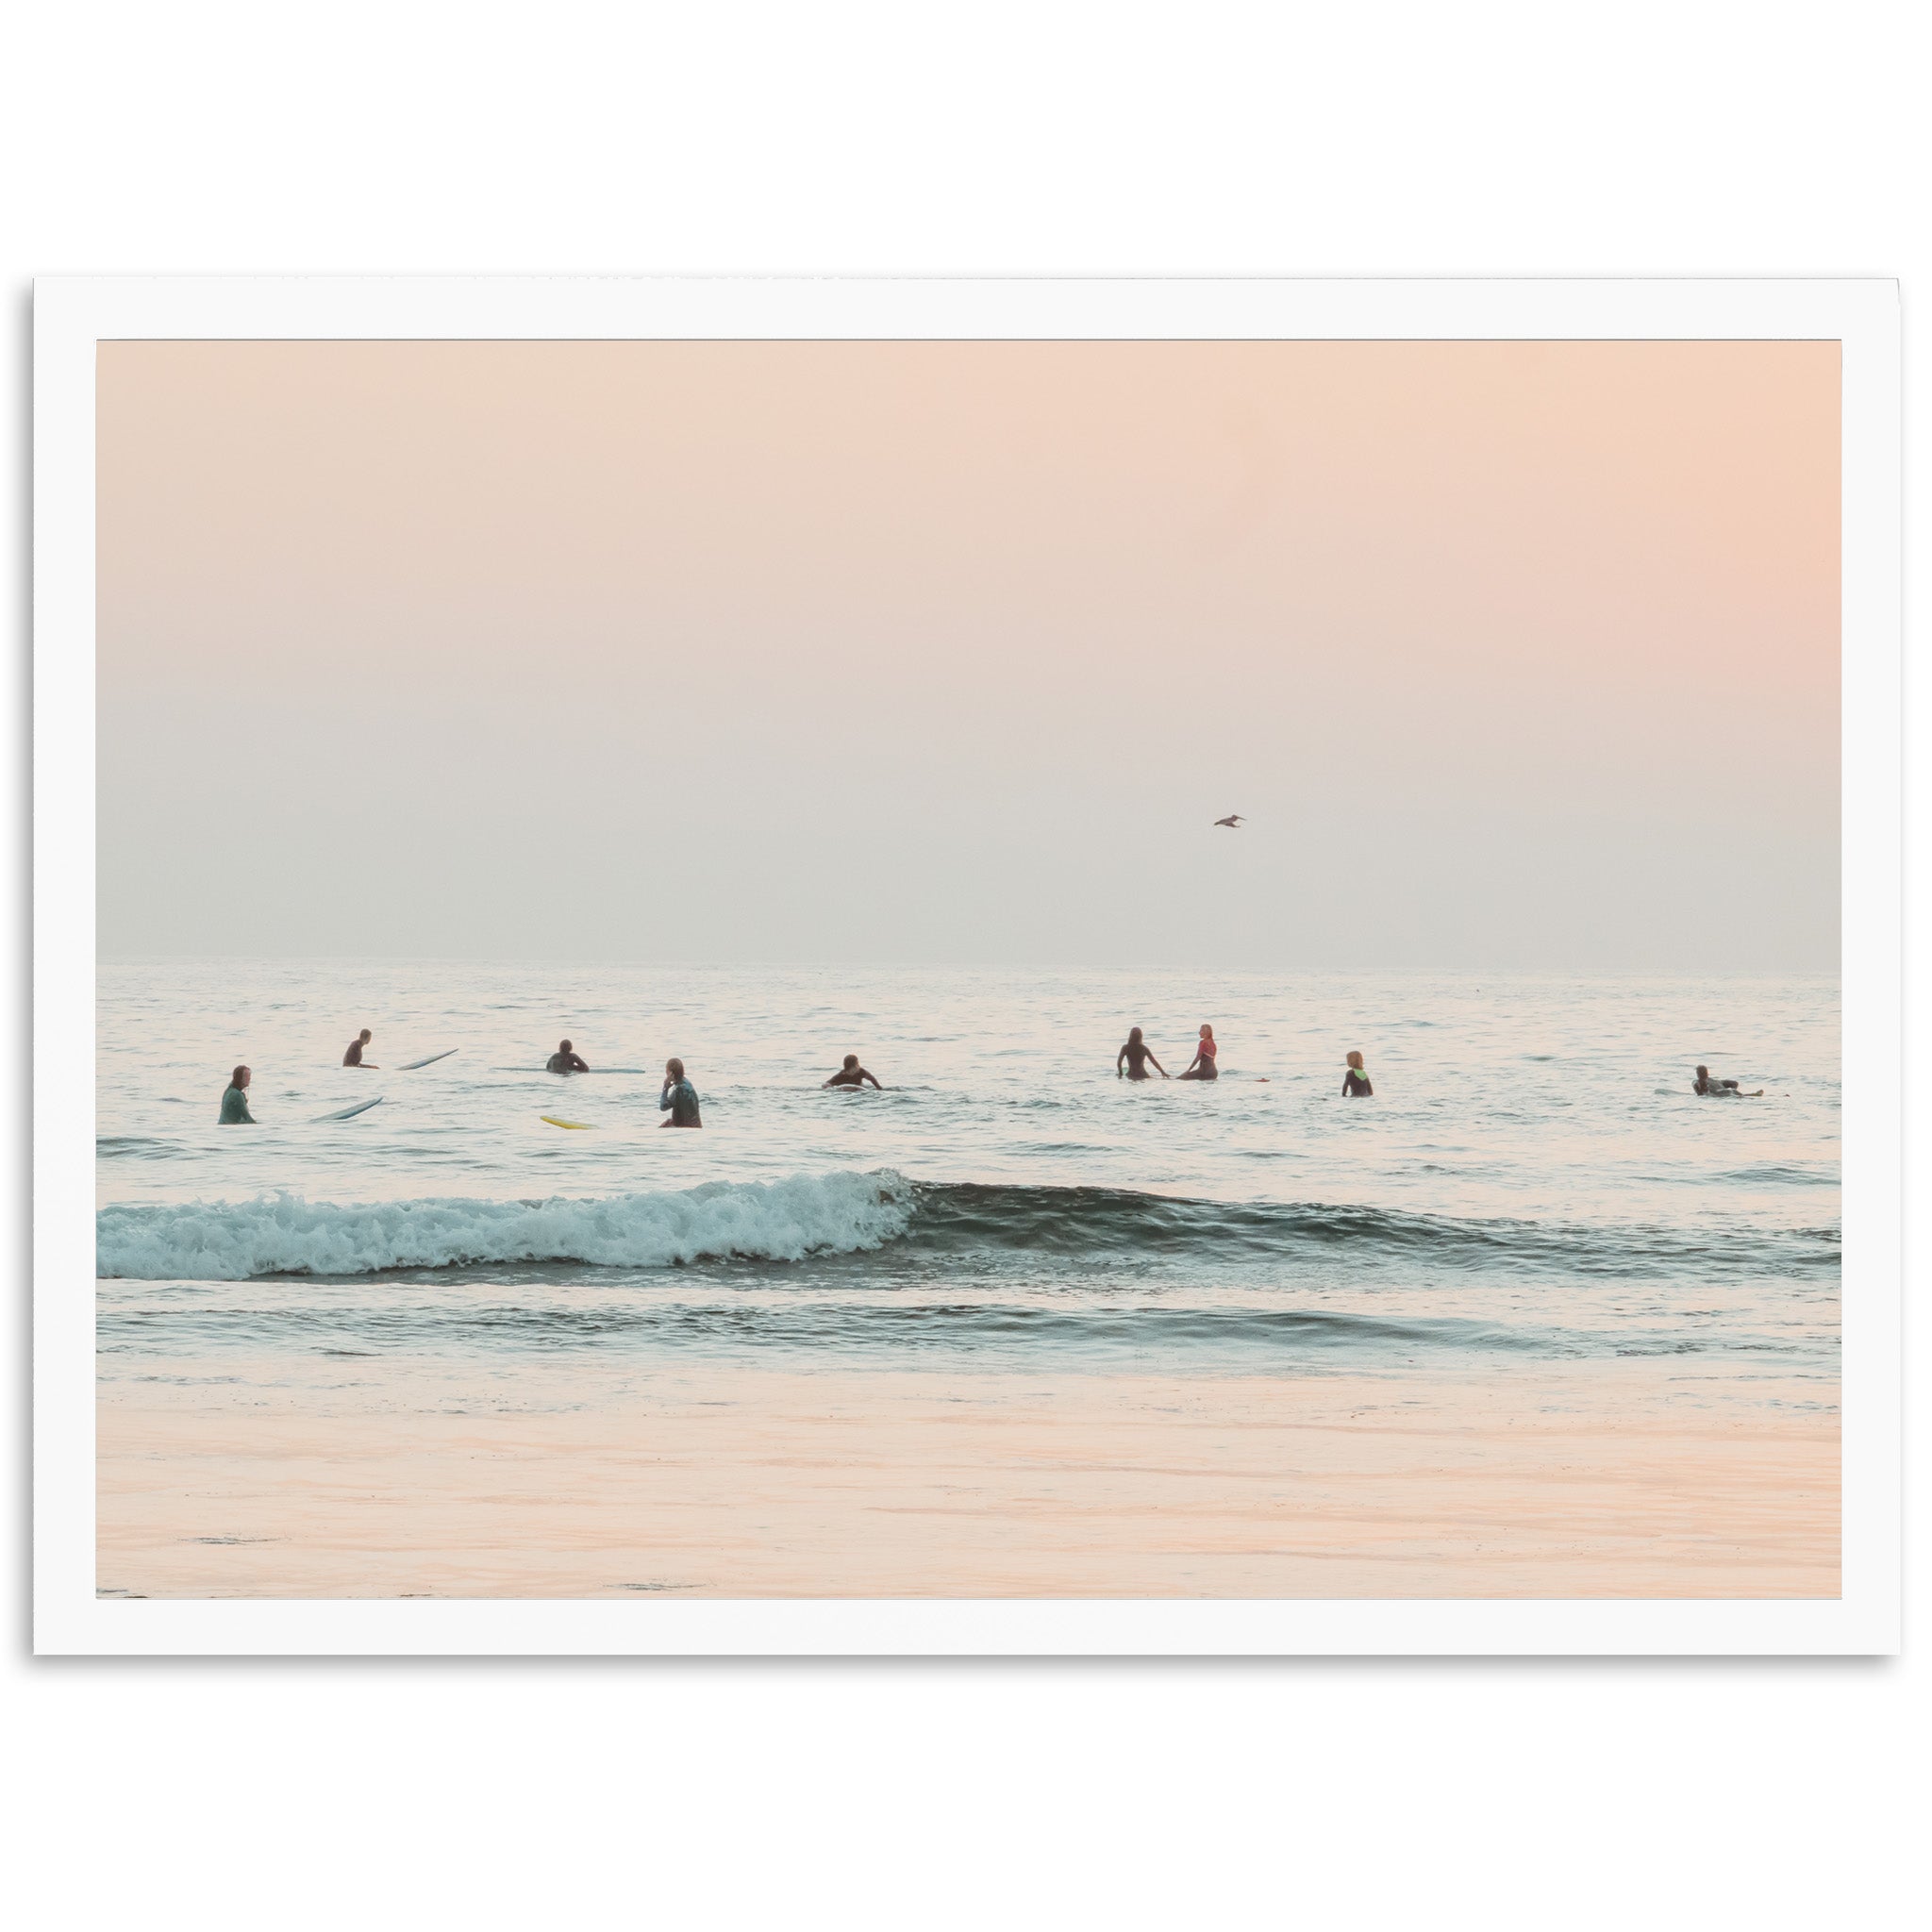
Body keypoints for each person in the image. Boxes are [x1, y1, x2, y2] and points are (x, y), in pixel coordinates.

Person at [659, 1058, 703, 1127]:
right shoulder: (686, 1083)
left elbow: (663, 1107)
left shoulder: (679, 1089)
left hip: (687, 1127)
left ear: (670, 1073)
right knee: (667, 1123)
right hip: (696, 1125)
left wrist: (665, 1088)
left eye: (666, 1069)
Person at [1693, 1064, 1762, 1097]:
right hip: (1727, 1091)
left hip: (1721, 1093)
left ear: (1698, 1074)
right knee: (1740, 1095)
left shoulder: (1698, 1082)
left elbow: (1703, 1093)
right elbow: (1735, 1083)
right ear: (1707, 1073)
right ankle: (1754, 1094)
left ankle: (1753, 1095)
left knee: (1737, 1096)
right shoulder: (1715, 1081)